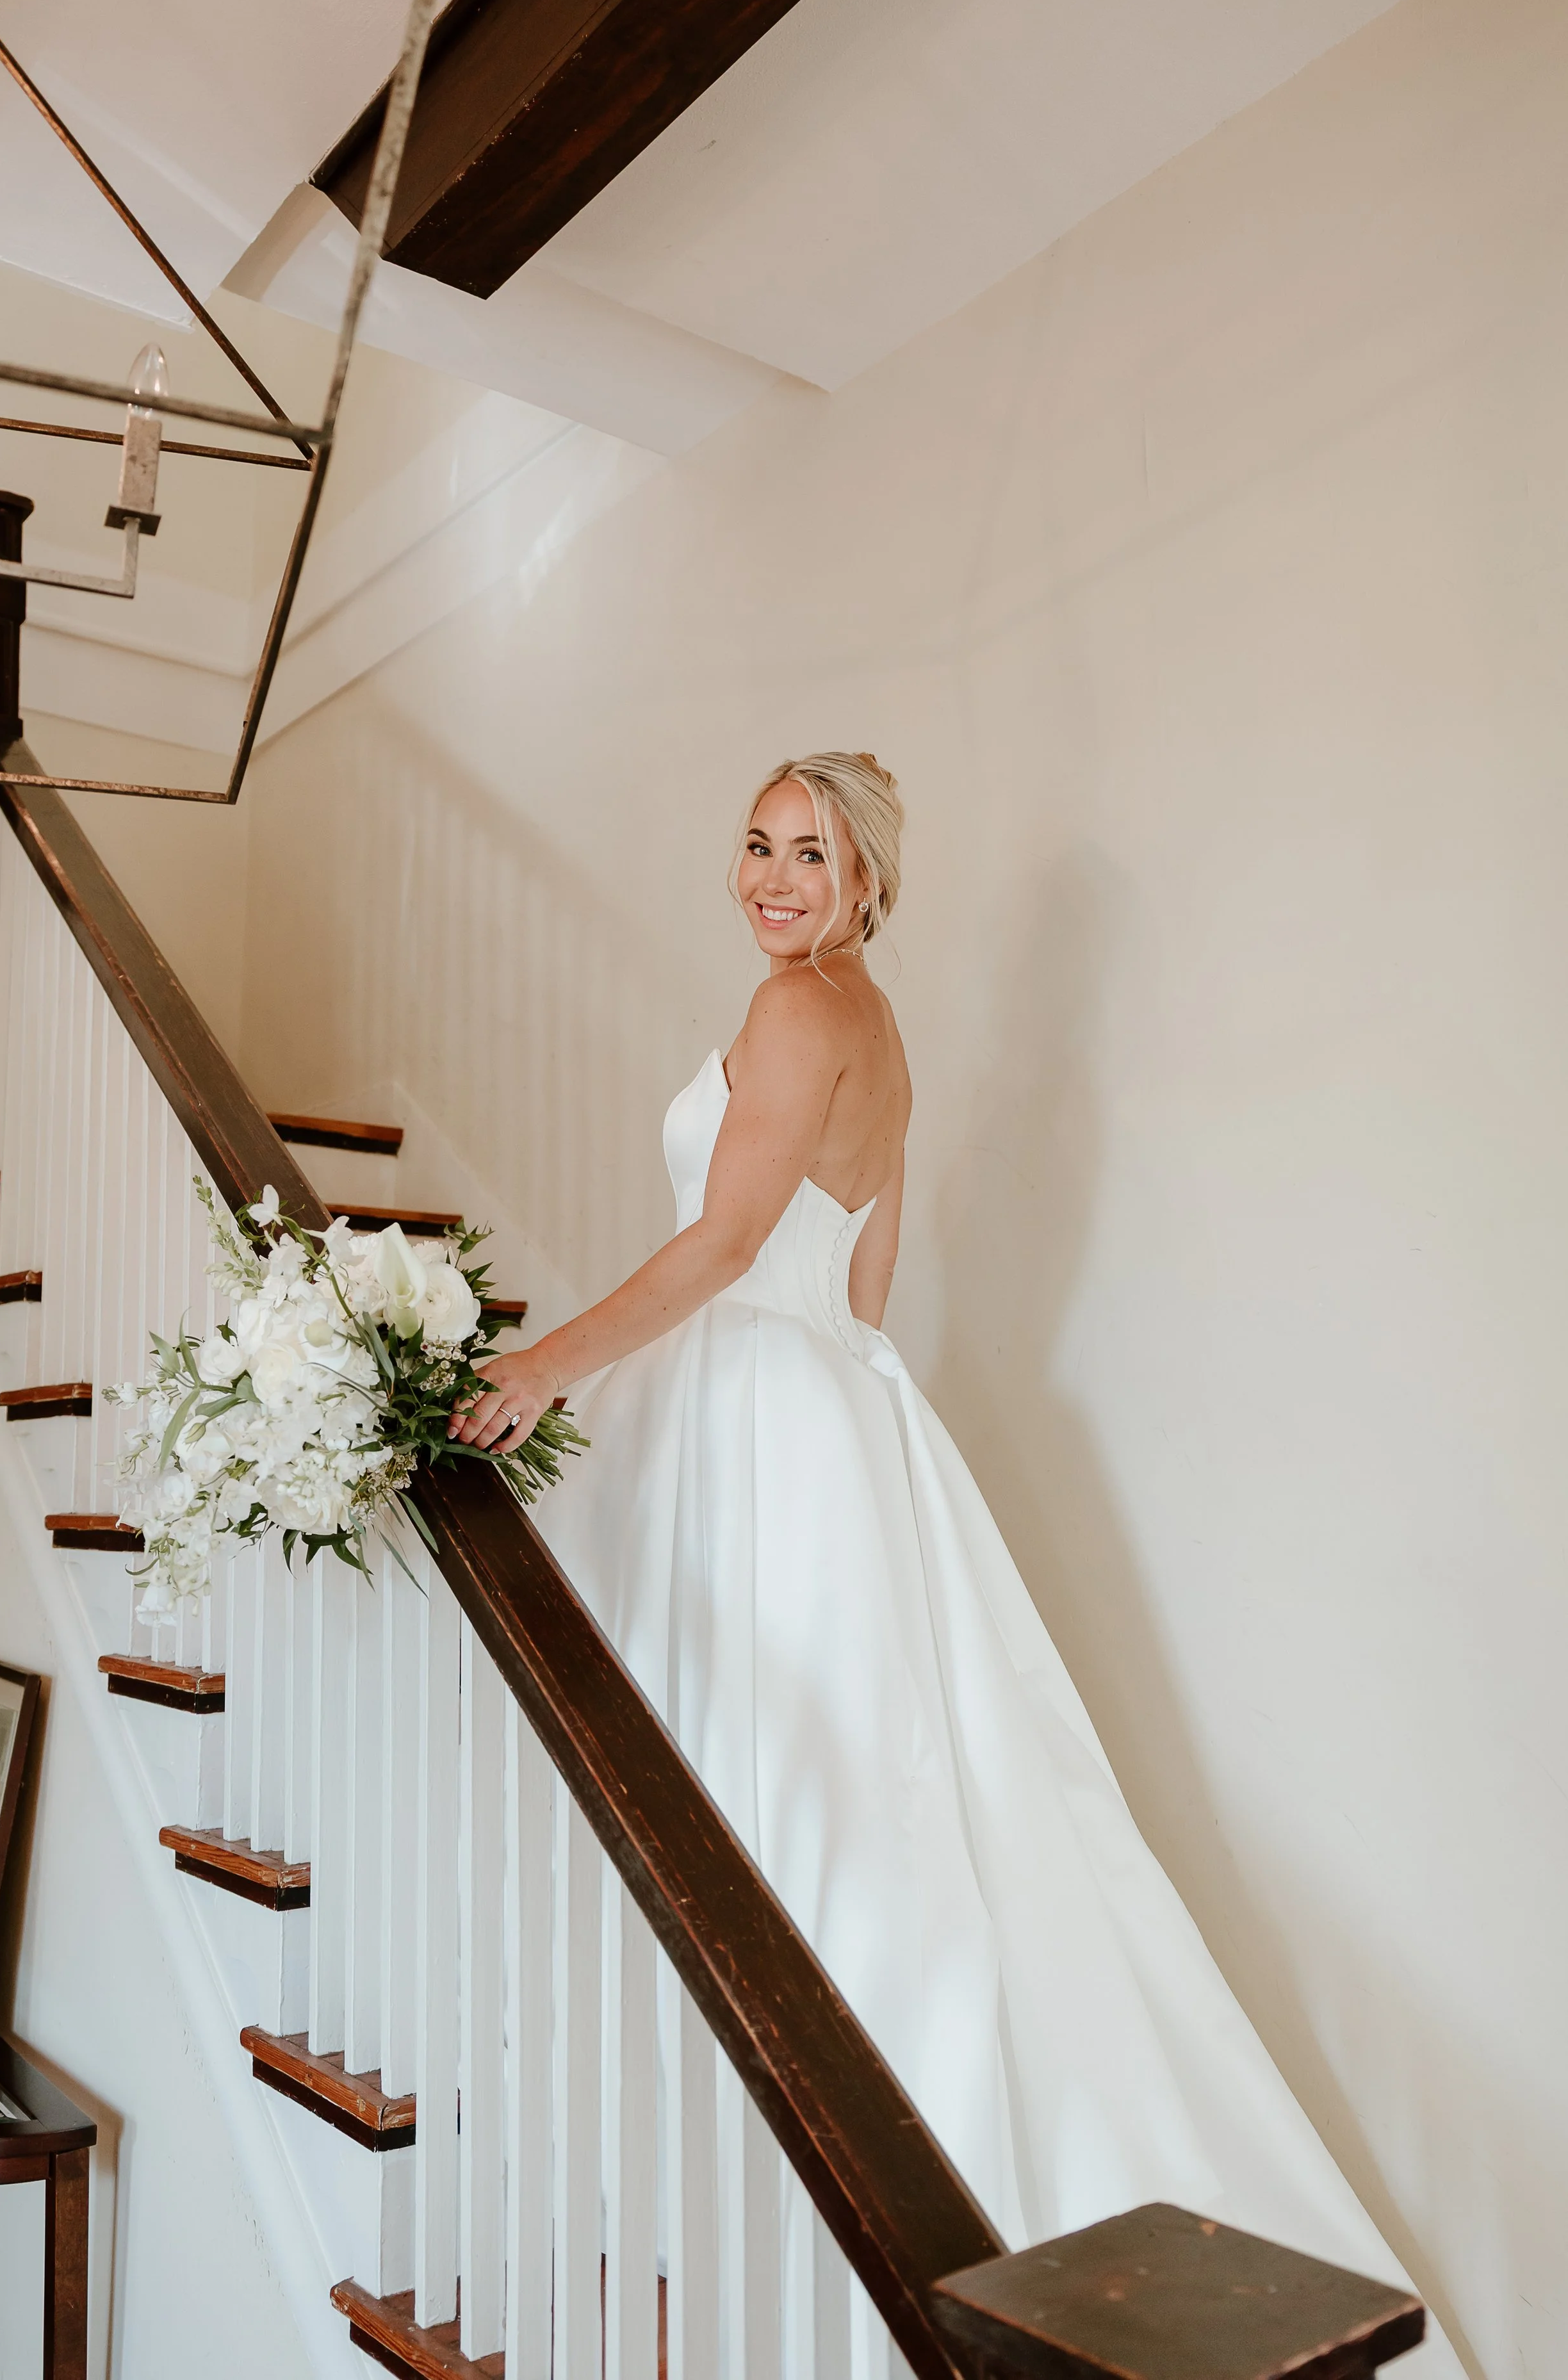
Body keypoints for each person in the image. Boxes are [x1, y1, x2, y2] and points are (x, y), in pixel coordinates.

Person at [450, 753, 1453, 2367]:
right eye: (757, 845)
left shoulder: (796, 1014)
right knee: (859, 1815)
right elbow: (864, 1298)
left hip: (760, 1417)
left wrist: (538, 1367)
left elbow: (724, 1246)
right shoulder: (879, 1029)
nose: (772, 879)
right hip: (831, 1417)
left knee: (768, 1804)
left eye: (812, 855)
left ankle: (775, 2239)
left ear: (867, 883)